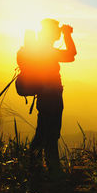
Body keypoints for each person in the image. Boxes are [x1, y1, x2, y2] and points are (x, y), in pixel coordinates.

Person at [20, 19, 76, 177]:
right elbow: (71, 55)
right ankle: (54, 171)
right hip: (52, 96)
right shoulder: (46, 50)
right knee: (52, 135)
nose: (59, 31)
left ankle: (34, 167)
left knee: (42, 131)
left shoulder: (38, 48)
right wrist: (67, 35)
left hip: (44, 96)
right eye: (56, 29)